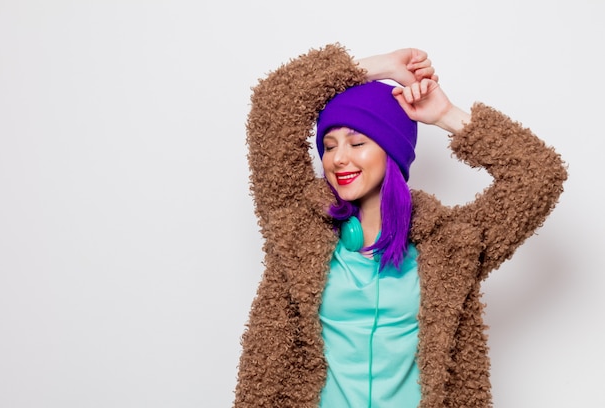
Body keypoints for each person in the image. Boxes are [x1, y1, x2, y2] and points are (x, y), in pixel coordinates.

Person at [233, 43, 567, 408]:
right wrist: (382, 66)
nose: (339, 158)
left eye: (357, 142)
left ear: (391, 151)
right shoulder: (298, 226)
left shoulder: (450, 246)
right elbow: (273, 106)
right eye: (329, 146)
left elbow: (538, 175)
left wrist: (445, 114)